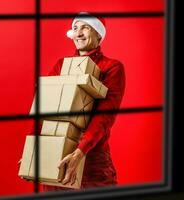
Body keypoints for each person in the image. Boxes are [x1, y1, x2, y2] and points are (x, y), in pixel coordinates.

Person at [43, 12, 126, 191]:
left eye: (85, 27)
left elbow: (104, 117)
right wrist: (35, 147)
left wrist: (80, 152)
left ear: (98, 34)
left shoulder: (111, 67)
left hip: (92, 159)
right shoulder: (61, 65)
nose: (78, 33)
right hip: (56, 156)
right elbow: (45, 107)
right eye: (75, 28)